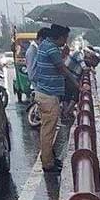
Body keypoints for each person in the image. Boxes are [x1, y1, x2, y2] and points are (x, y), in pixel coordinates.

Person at [33, 24, 81, 173]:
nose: (66, 41)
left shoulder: (45, 45)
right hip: (48, 96)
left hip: (44, 93)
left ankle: (50, 159)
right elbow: (63, 70)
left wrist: (63, 55)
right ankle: (48, 164)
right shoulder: (52, 48)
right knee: (48, 131)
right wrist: (78, 86)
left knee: (48, 130)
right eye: (65, 38)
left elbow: (55, 64)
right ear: (59, 37)